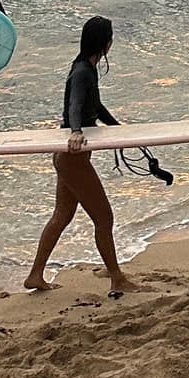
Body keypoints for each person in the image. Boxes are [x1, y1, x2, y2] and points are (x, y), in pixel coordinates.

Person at [23, 16, 138, 296]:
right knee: (104, 218)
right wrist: (75, 131)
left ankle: (35, 275)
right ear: (105, 44)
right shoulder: (82, 72)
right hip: (72, 158)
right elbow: (75, 105)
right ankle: (117, 278)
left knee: (62, 215)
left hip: (67, 158)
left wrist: (120, 131)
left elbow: (95, 107)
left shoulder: (87, 67)